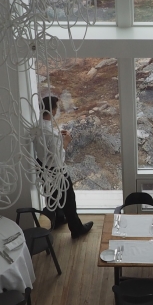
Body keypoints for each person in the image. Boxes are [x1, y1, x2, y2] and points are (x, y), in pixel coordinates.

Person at [33, 95, 92, 239]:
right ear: (53, 110)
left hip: (42, 167)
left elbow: (46, 146)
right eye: (56, 108)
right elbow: (59, 157)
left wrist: (57, 138)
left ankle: (58, 218)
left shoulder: (36, 127)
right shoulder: (51, 134)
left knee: (52, 195)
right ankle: (76, 229)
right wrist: (65, 141)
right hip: (56, 170)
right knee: (69, 198)